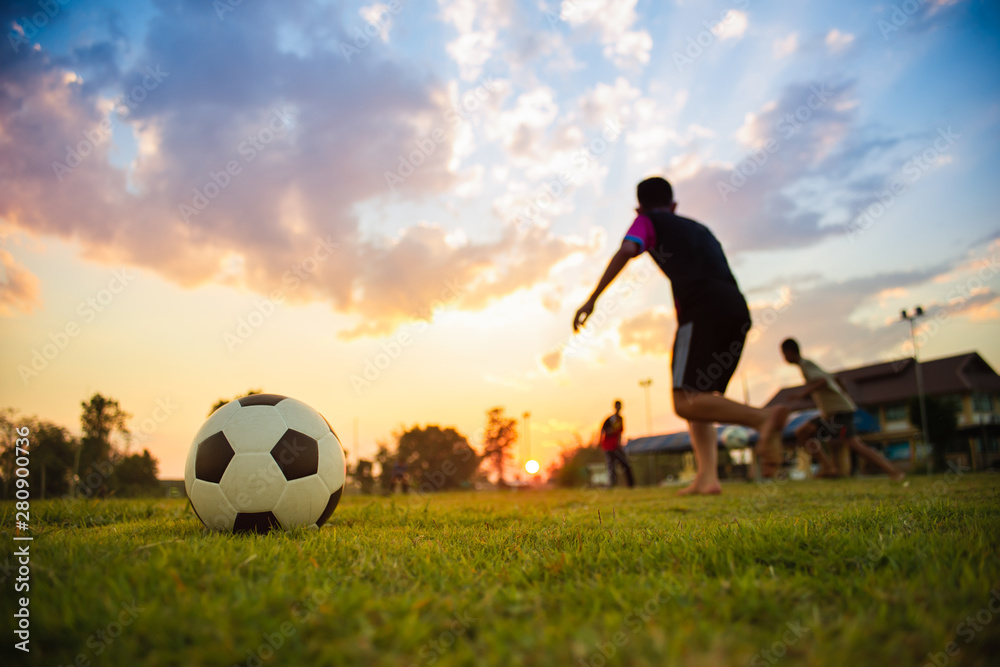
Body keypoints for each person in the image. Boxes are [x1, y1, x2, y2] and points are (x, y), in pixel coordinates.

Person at [574, 177, 789, 494]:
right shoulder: (701, 229)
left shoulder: (647, 221)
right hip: (736, 310)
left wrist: (592, 299)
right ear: (674, 205)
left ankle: (762, 419)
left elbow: (627, 250)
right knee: (700, 397)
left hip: (701, 311)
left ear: (638, 207)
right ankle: (708, 478)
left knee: (684, 401)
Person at [780, 338, 904, 481]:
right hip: (831, 413)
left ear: (789, 351)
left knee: (853, 444)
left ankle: (893, 471)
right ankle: (828, 467)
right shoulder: (806, 365)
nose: (784, 358)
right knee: (803, 432)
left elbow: (823, 381)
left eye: (783, 354)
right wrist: (843, 393)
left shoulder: (805, 364)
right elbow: (835, 378)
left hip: (839, 411)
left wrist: (802, 394)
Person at [600, 400, 634, 488]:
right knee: (612, 466)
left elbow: (620, 433)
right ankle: (612, 485)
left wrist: (619, 444)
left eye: (620, 406)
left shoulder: (620, 419)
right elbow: (602, 430)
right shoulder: (610, 419)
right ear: (614, 407)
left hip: (616, 446)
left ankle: (631, 485)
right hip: (608, 447)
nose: (619, 408)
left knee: (625, 464)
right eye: (617, 406)